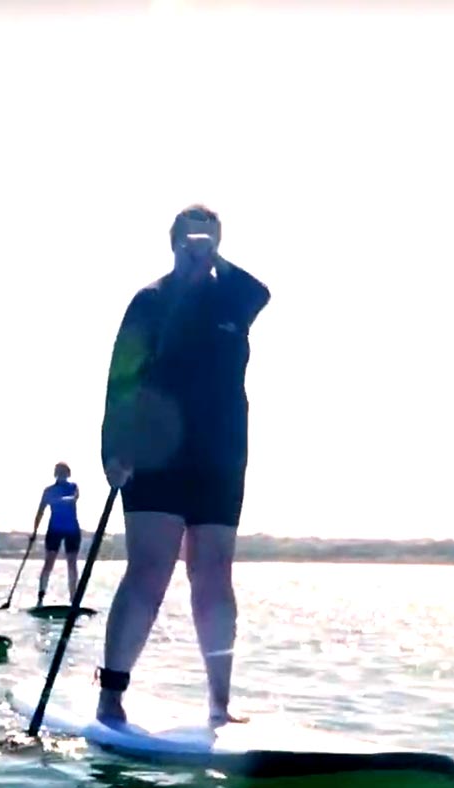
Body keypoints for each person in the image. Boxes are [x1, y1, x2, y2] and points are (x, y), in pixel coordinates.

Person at [97, 205, 270, 727]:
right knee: (151, 569)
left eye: (208, 239)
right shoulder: (151, 300)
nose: (199, 247)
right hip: (156, 452)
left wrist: (216, 258)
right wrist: (113, 448)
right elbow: (121, 378)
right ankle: (111, 695)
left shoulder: (233, 299)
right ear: (172, 243)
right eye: (190, 239)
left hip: (222, 453)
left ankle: (220, 703)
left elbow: (261, 292)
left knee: (214, 573)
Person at [36, 462, 81, 606]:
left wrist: (57, 501)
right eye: (60, 472)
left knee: (72, 563)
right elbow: (40, 511)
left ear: (68, 474)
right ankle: (40, 596)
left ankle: (73, 598)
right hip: (54, 529)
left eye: (64, 472)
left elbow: (74, 497)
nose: (62, 475)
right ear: (56, 474)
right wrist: (34, 531)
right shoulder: (49, 490)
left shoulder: (73, 487)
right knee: (49, 562)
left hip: (72, 530)